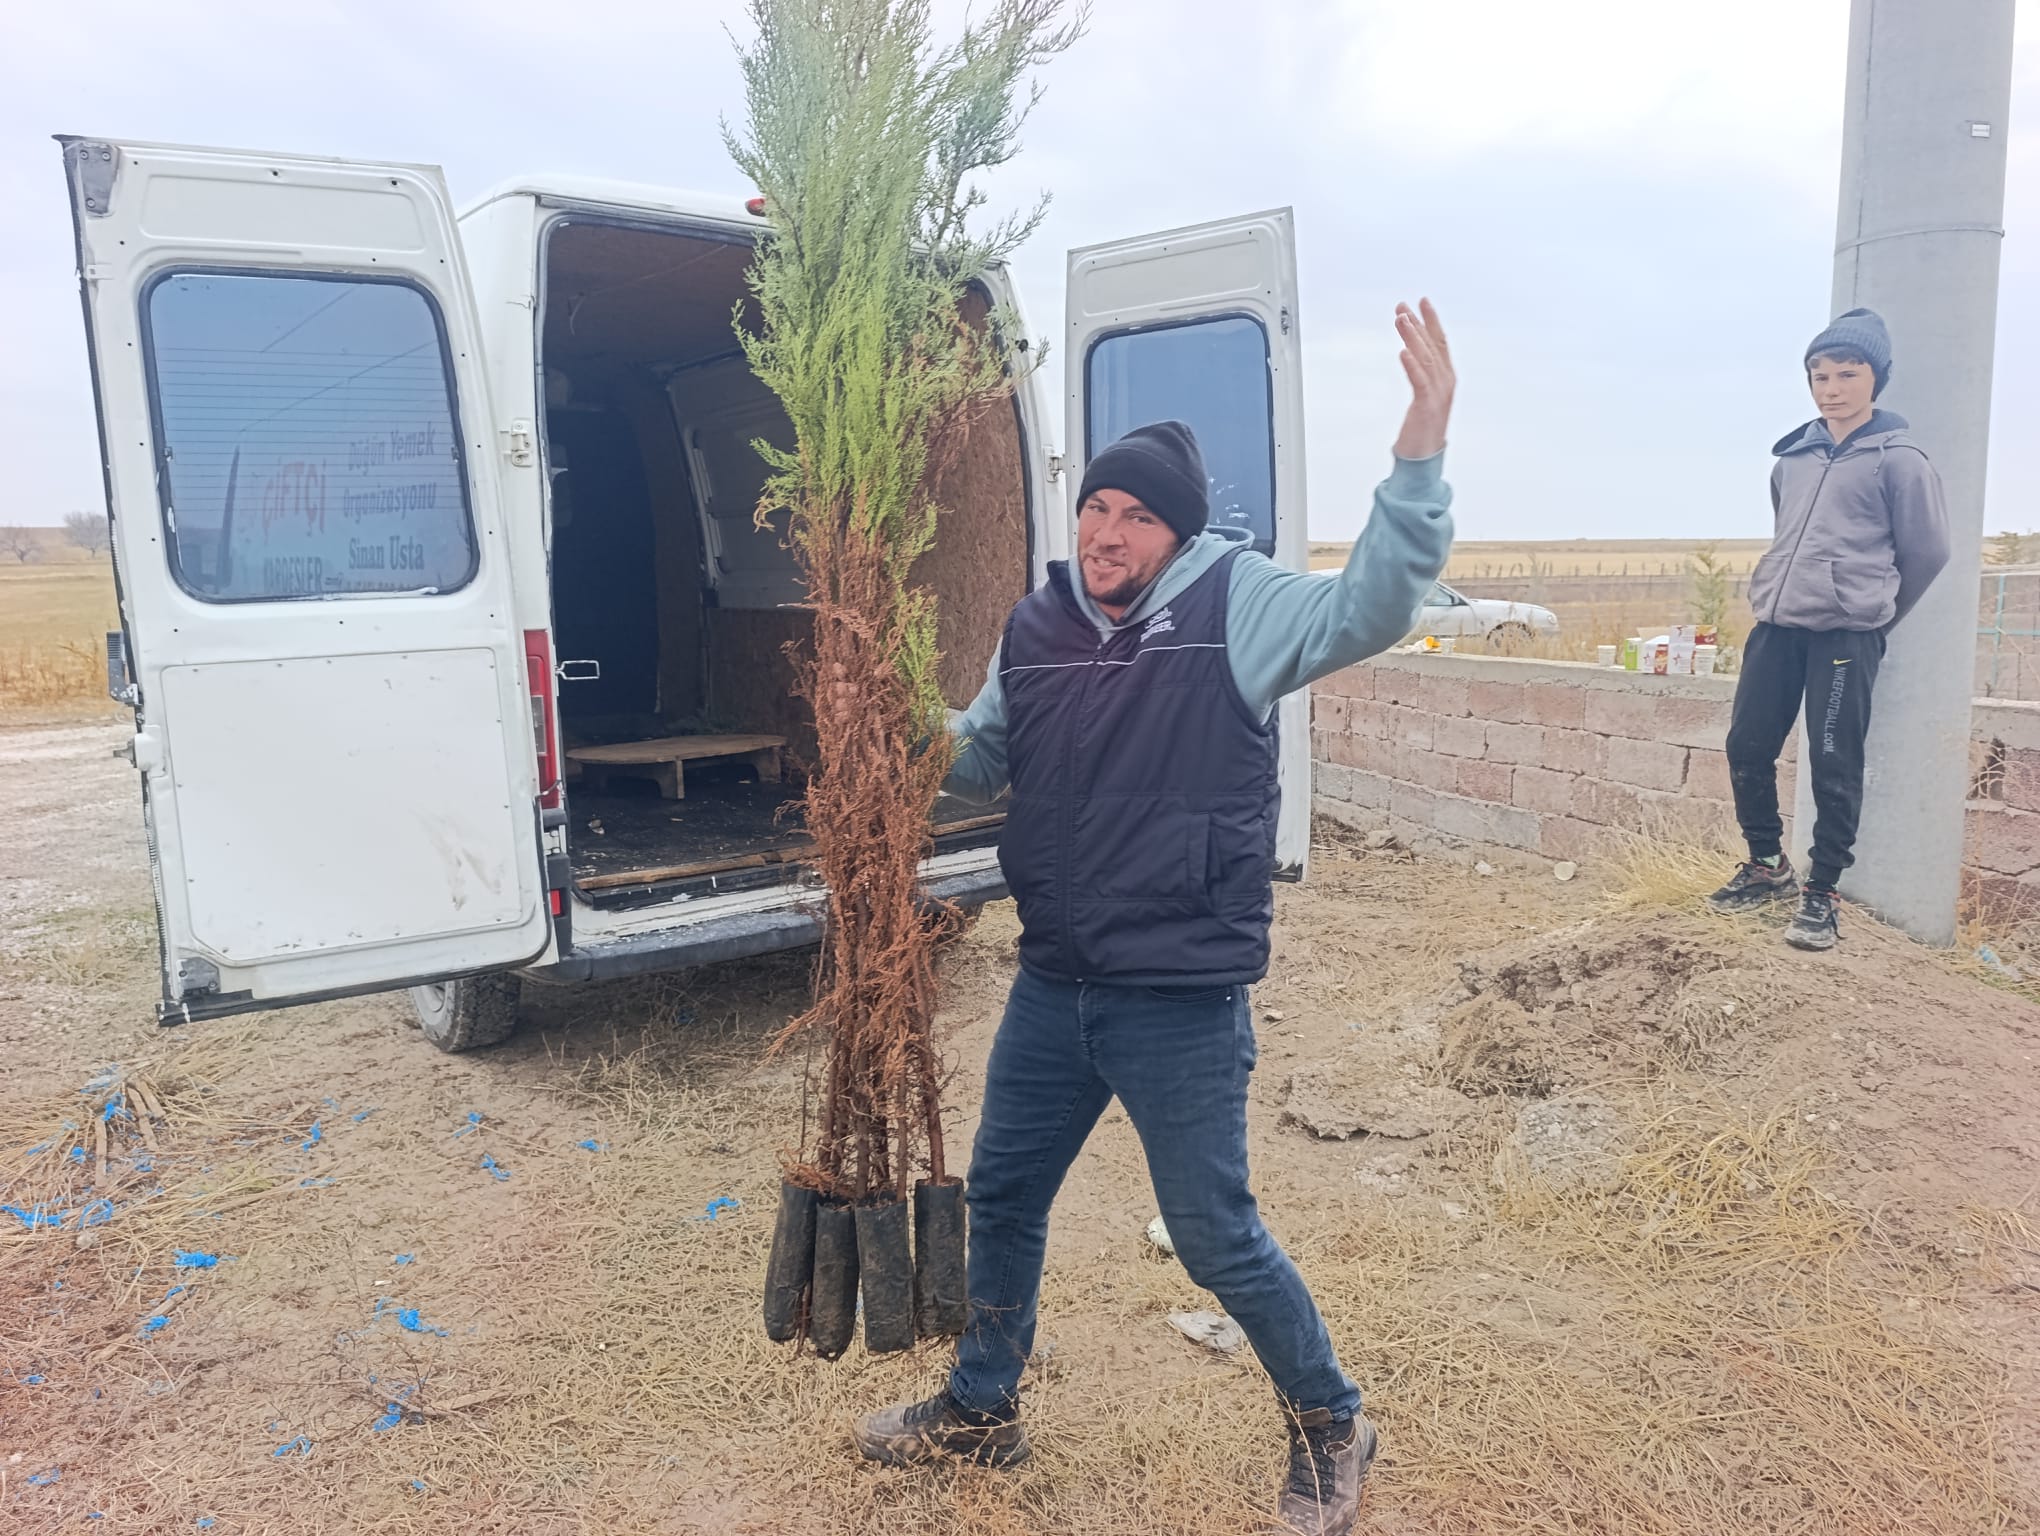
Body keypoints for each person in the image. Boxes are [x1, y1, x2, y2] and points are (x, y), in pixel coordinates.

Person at [848, 301, 1457, 1536]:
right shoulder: (1039, 623)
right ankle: (982, 1406)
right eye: (1096, 507)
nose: (1106, 531)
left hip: (1176, 994)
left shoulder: (1238, 601)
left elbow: (1374, 606)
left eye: (1135, 515)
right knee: (1003, 1197)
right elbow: (983, 761)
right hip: (1053, 984)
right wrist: (894, 721)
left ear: (1176, 531)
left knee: (1213, 1235)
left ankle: (1331, 1421)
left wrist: (1419, 453)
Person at [1706, 307, 1949, 949]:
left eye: (1848, 373)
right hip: (1778, 626)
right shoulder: (1791, 458)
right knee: (1747, 745)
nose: (1832, 388)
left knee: (1834, 760)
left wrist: (1873, 615)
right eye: (1820, 376)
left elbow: (1928, 552)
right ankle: (1768, 865)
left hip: (1846, 635)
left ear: (1876, 379)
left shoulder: (1900, 460)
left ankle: (1822, 894)